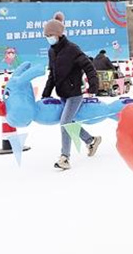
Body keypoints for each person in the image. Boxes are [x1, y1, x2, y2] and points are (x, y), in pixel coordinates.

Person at [42, 12, 102, 170]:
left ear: (58, 34)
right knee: (69, 122)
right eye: (46, 35)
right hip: (62, 93)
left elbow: (89, 66)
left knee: (65, 123)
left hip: (75, 93)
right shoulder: (51, 51)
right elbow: (52, 74)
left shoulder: (72, 49)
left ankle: (65, 157)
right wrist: (46, 94)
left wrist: (94, 86)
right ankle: (91, 140)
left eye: (50, 35)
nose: (48, 38)